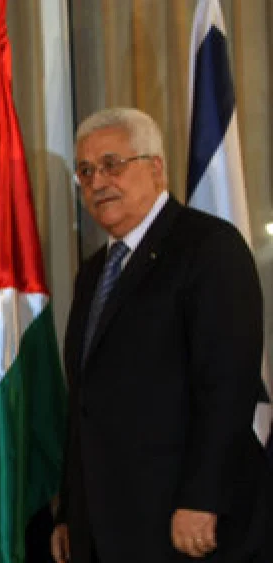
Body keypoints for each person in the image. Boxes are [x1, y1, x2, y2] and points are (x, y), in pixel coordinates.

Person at [51, 107, 272, 562]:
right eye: (86, 171)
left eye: (112, 164)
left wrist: (204, 498)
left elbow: (229, 387)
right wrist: (72, 511)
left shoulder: (209, 248)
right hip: (106, 525)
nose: (97, 182)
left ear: (156, 168)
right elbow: (85, 403)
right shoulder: (93, 272)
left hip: (182, 520)